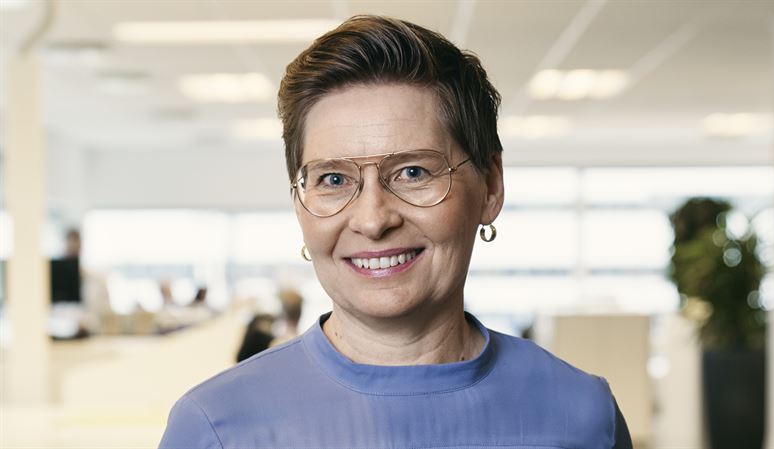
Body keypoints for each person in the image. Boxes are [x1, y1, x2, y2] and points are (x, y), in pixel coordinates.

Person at [159, 15, 632, 449]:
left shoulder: (583, 415)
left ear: (490, 186)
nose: (372, 220)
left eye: (413, 172)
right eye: (333, 179)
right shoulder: (215, 428)